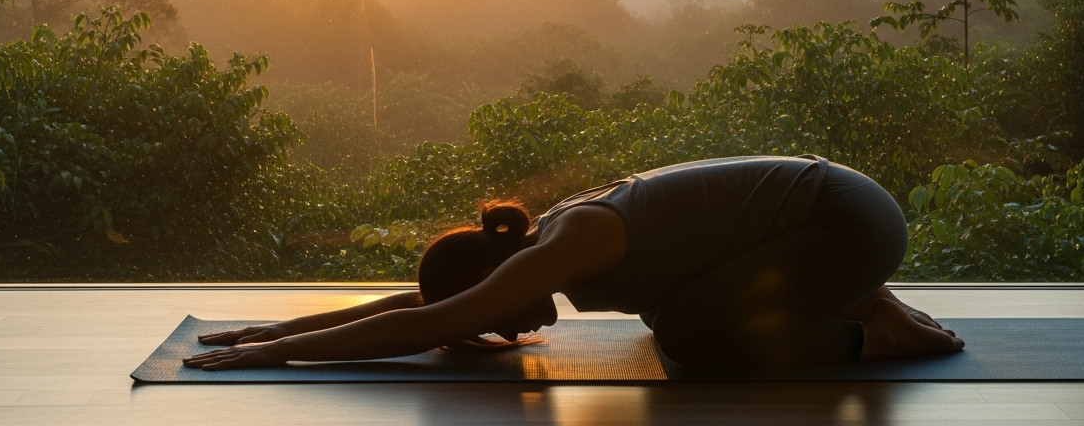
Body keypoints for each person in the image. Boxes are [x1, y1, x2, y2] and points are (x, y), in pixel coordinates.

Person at [184, 155, 963, 372]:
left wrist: (279, 353)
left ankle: (875, 331)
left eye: (496, 320)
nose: (512, 331)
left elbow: (430, 320)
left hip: (848, 222)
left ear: (497, 282)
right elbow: (417, 305)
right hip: (821, 219)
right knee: (664, 314)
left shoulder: (571, 244)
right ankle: (864, 300)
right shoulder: (540, 246)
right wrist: (274, 327)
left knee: (693, 339)